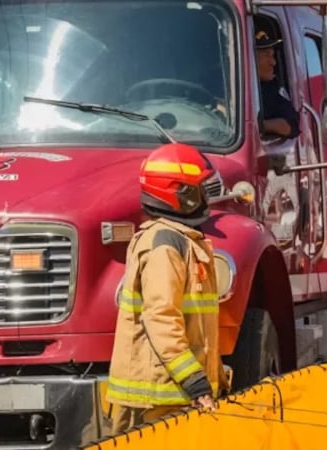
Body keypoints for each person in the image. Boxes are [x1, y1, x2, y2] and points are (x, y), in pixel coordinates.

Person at [106, 143, 229, 433]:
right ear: (181, 195)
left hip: (174, 397)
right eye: (199, 189)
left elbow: (198, 327)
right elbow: (162, 317)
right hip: (158, 402)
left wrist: (217, 380)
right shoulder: (165, 245)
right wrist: (194, 381)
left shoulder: (180, 239)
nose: (205, 197)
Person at [255, 29, 300, 139]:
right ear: (250, 58)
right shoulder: (220, 88)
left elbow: (291, 126)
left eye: (273, 55)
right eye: (267, 55)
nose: (273, 62)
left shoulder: (271, 88)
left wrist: (259, 125)